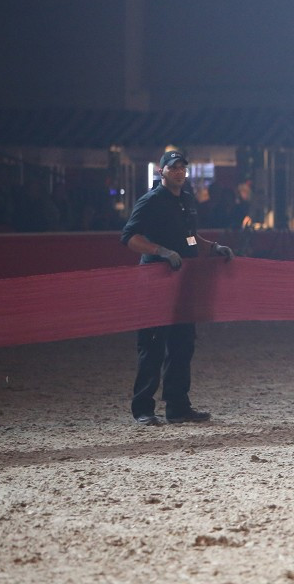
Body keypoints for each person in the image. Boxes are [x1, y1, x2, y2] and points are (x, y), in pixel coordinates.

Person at [121, 150, 235, 425]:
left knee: (183, 345)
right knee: (152, 345)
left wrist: (212, 248)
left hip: (184, 283)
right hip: (156, 282)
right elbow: (129, 237)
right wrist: (160, 251)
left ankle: (178, 406)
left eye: (182, 167)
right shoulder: (151, 201)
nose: (179, 171)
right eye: (173, 168)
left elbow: (190, 236)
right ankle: (143, 409)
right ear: (162, 172)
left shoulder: (186, 199)